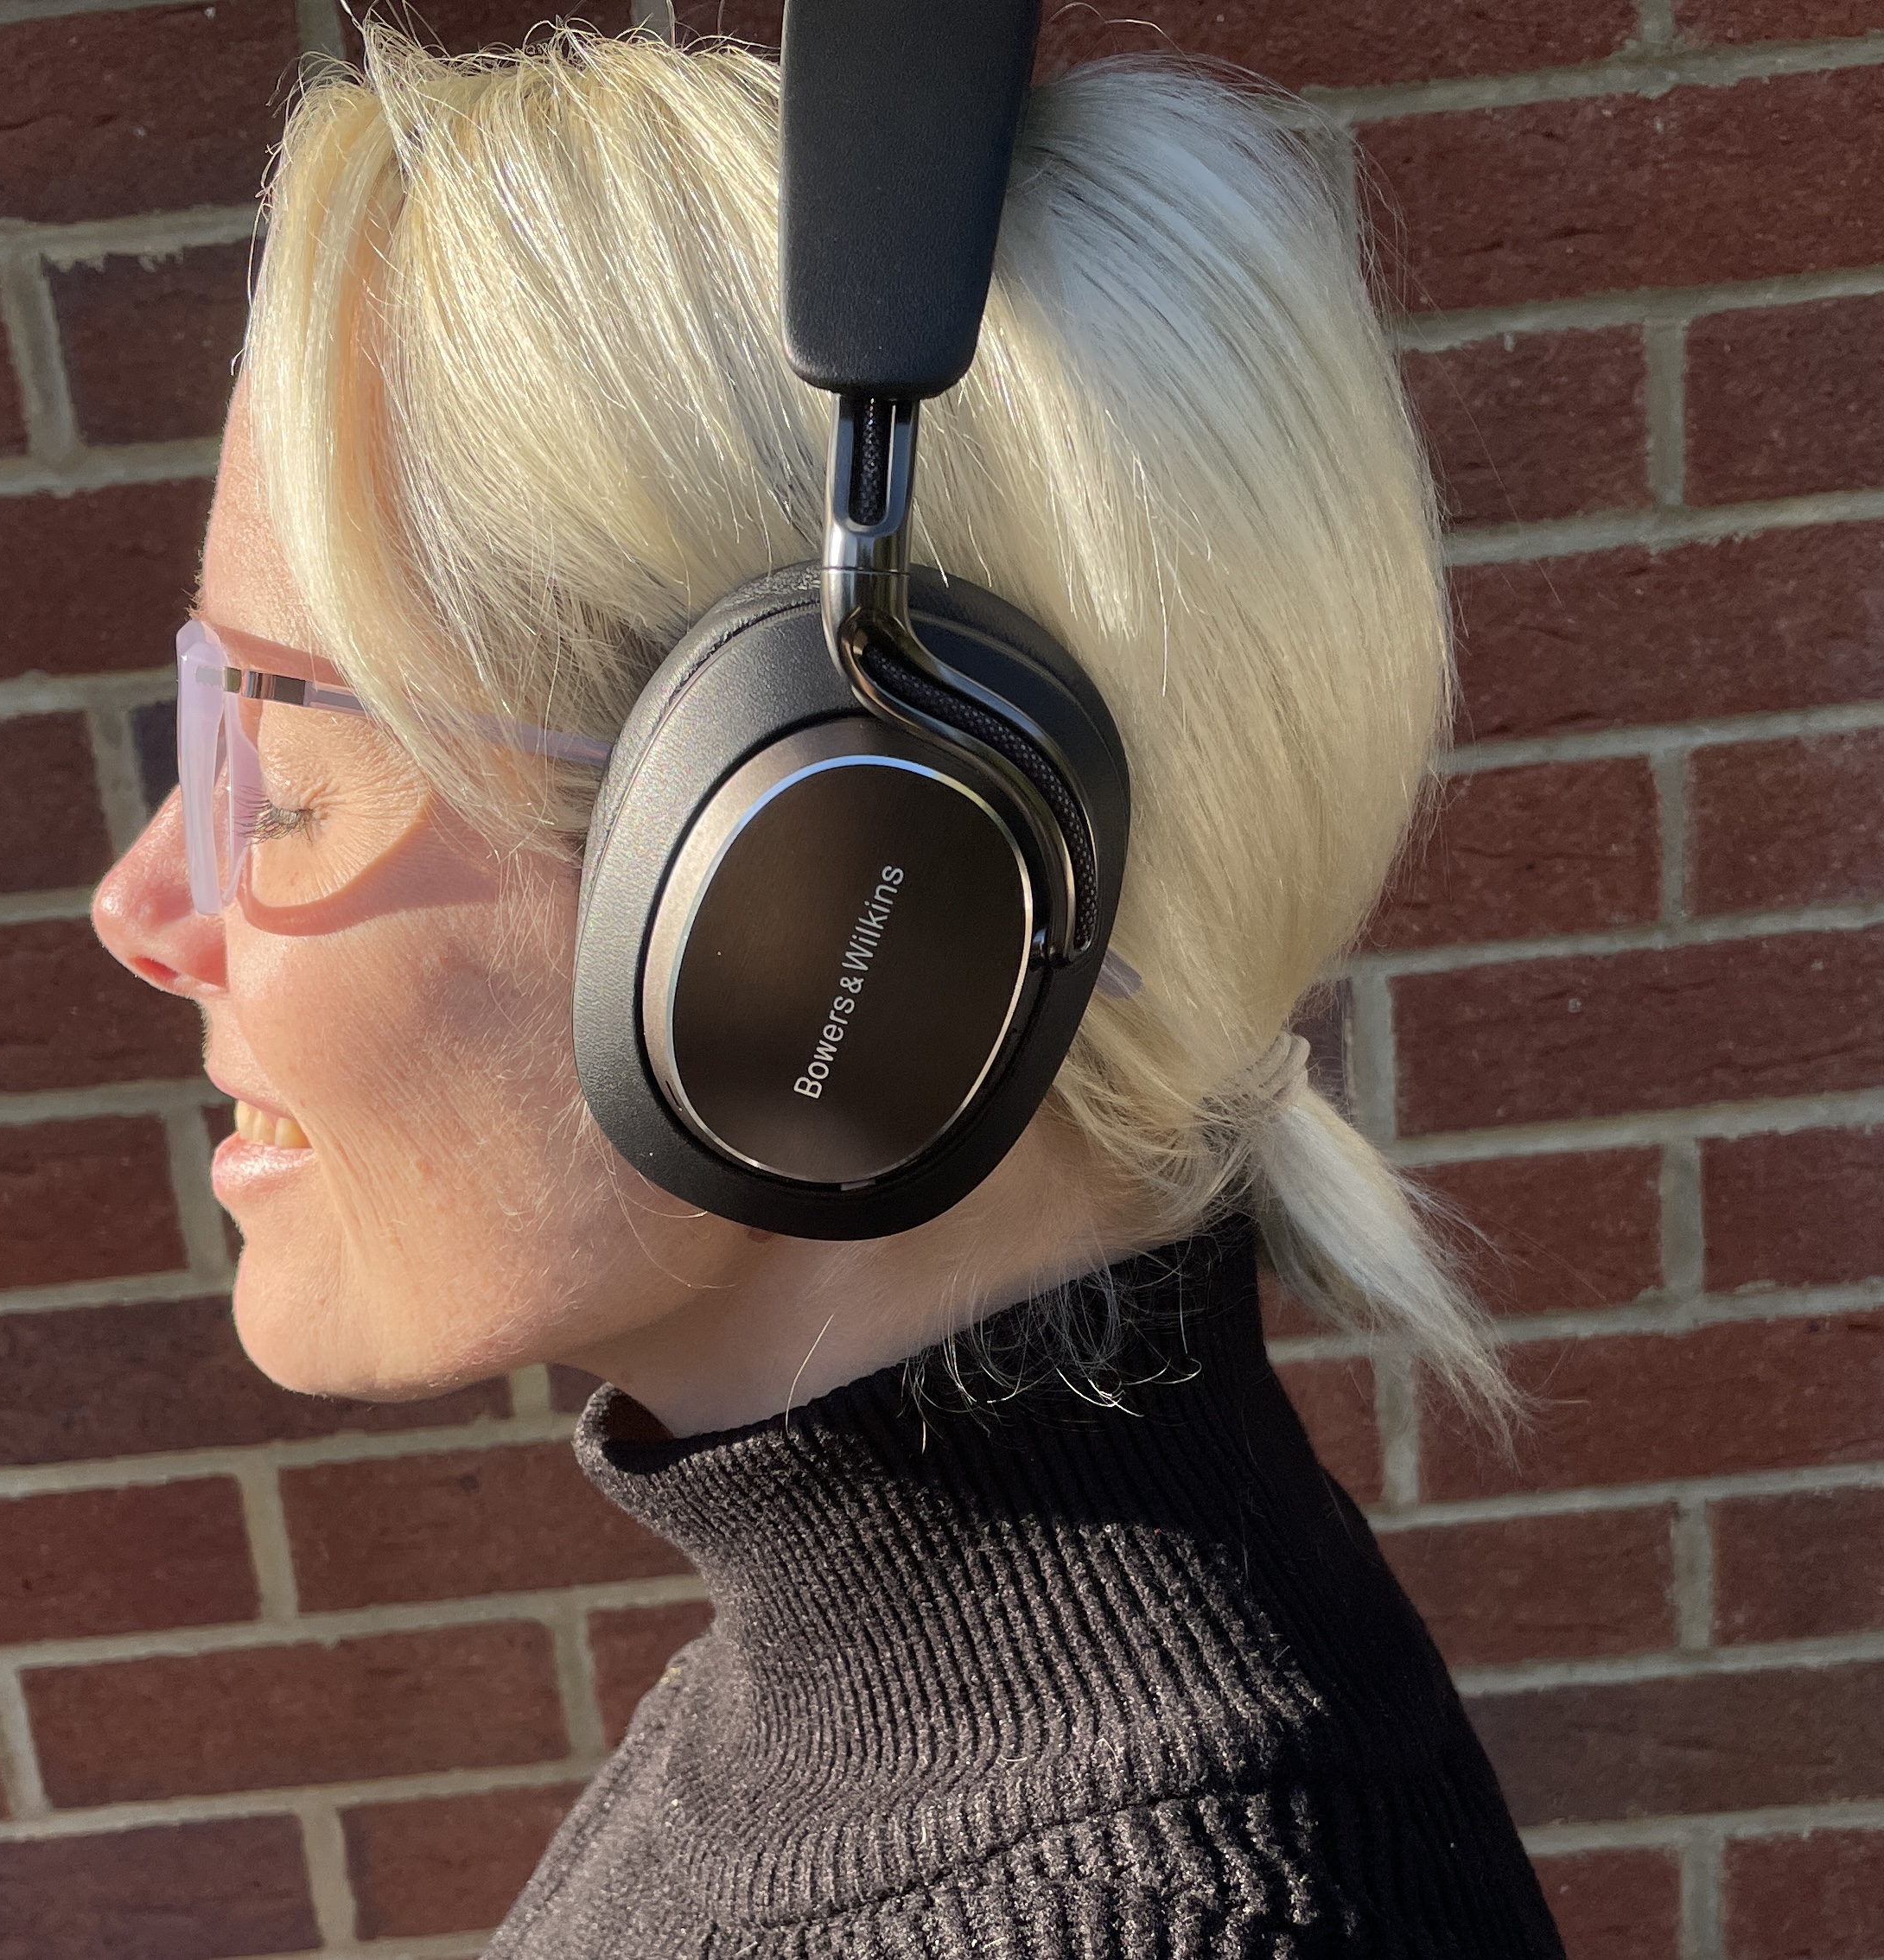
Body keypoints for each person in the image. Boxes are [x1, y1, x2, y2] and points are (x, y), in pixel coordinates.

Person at [89, 24, 1564, 1955]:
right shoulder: (859, 1711)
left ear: (802, 885)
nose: (144, 904)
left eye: (273, 779)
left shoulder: (1139, 1917)